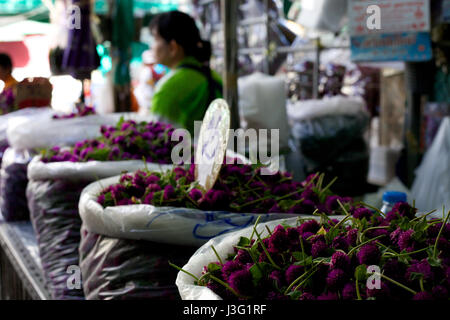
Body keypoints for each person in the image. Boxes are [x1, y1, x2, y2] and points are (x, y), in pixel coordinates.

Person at [149, 10, 223, 135]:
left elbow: (158, 140)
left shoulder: (168, 88)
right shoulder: (214, 76)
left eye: (156, 39)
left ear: (173, 47)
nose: (152, 46)